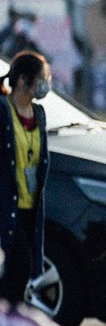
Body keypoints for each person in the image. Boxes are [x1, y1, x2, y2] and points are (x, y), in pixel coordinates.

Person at [0, 53, 51, 303]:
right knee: (16, 267)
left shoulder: (38, 113)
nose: (46, 83)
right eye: (42, 78)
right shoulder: (3, 111)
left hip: (31, 206)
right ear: (22, 80)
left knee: (23, 272)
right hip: (7, 207)